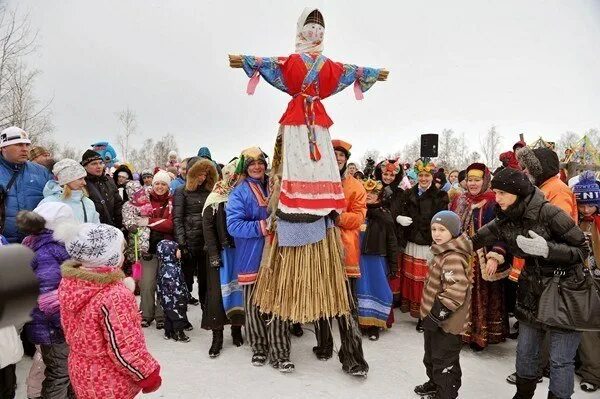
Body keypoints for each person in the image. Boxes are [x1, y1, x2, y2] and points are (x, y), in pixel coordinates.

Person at [231, 8, 387, 333]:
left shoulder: (328, 66)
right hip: (295, 122)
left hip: (319, 120)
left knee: (319, 158)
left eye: (320, 27)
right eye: (310, 26)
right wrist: (248, 60)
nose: (315, 31)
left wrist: (371, 72)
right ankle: (297, 195)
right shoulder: (290, 63)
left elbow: (351, 70)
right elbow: (268, 64)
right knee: (298, 158)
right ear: (301, 30)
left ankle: (317, 195)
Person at [472, 167, 588, 399]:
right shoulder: (505, 217)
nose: (497, 198)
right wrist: (446, 249)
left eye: (502, 193)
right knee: (525, 353)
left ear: (517, 193)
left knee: (560, 361)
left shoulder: (549, 213)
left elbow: (582, 250)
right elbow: (478, 238)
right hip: (531, 291)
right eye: (495, 192)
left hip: (565, 291)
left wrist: (548, 249)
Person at [57, 222, 161, 398]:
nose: (123, 255)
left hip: (81, 371)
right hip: (110, 380)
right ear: (108, 257)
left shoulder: (71, 283)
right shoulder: (115, 296)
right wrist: (148, 374)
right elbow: (125, 346)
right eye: (120, 251)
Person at [226, 147, 293, 372]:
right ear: (245, 167)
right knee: (254, 305)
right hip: (251, 256)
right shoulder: (239, 192)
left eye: (260, 162)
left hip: (277, 254)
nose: (257, 166)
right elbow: (233, 225)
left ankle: (281, 352)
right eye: (252, 163)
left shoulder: (275, 184)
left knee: (279, 303)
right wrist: (264, 226)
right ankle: (259, 347)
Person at [312, 139, 369, 377]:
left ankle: (353, 358)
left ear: (346, 159)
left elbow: (359, 218)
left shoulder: (355, 186)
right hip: (316, 249)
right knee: (319, 300)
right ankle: (324, 346)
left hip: (345, 253)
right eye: (332, 154)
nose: (336, 158)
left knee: (347, 306)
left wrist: (337, 217)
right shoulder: (314, 182)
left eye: (340, 155)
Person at [17, 203, 77, 398]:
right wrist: (65, 325)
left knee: (65, 371)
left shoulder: (41, 244)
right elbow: (48, 294)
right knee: (59, 373)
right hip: (52, 326)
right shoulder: (49, 251)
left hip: (49, 324)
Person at [449, 163, 509, 350]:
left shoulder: (493, 200)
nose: (473, 184)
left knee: (481, 295)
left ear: (485, 181)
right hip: (461, 255)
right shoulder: (459, 199)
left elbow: (504, 231)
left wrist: (496, 255)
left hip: (482, 258)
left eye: (477, 180)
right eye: (470, 180)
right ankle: (460, 332)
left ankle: (480, 335)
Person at [415, 210, 472, 399]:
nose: (437, 234)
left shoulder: (453, 257)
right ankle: (434, 384)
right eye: (434, 229)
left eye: (442, 230)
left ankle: (446, 393)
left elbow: (455, 292)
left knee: (444, 360)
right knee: (430, 355)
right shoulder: (441, 252)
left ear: (453, 232)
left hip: (447, 323)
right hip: (434, 319)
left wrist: (435, 315)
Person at [396, 158, 449, 331]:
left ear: (432, 177)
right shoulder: (409, 193)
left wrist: (436, 243)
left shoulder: (440, 196)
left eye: (427, 175)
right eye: (421, 175)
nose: (424, 179)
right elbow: (400, 211)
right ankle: (414, 310)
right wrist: (399, 218)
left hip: (428, 243)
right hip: (411, 241)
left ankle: (426, 315)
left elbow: (442, 220)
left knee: (427, 282)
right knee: (412, 280)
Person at [202, 159, 244, 358]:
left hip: (241, 251)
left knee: (239, 293)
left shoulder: (243, 193)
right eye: (232, 175)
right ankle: (217, 336)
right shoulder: (215, 197)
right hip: (221, 251)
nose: (234, 179)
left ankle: (237, 329)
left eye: (237, 176)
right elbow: (208, 228)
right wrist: (213, 254)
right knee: (217, 296)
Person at [356, 179, 396, 341]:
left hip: (377, 261)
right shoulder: (358, 212)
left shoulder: (385, 215)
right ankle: (361, 323)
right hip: (359, 259)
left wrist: (394, 264)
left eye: (373, 193)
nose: (369, 196)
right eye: (367, 193)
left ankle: (375, 325)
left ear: (379, 196)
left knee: (378, 291)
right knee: (361, 290)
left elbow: (392, 241)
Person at [173, 158, 216, 307]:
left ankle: (207, 314)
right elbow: (177, 219)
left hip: (206, 243)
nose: (202, 178)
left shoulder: (210, 191)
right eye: (199, 174)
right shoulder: (181, 191)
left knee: (205, 282)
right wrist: (182, 243)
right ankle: (181, 318)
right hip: (189, 244)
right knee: (185, 281)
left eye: (205, 174)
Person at [572, 171, 600, 393]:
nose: (585, 209)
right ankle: (591, 371)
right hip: (583, 281)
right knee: (587, 327)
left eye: (590, 205)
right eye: (581, 205)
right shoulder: (574, 222)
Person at [0, 126, 52, 243]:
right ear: (3, 147)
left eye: (27, 145)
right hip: (3, 245)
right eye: (19, 145)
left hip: (36, 243)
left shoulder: (42, 172)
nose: (25, 149)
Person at [139, 170, 174, 329]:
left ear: (168, 186)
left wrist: (148, 221)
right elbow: (136, 220)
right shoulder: (143, 200)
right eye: (157, 183)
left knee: (163, 282)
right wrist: (161, 222)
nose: (160, 187)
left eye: (164, 184)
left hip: (166, 248)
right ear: (152, 185)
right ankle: (146, 314)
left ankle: (161, 314)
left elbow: (171, 225)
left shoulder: (172, 201)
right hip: (148, 249)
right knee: (146, 284)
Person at [39, 159, 100, 224]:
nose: (84, 183)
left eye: (84, 178)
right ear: (66, 180)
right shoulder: (48, 203)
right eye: (80, 179)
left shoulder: (88, 203)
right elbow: (39, 230)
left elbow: (96, 229)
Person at [156, 240, 191, 343]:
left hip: (167, 300)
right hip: (174, 298)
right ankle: (179, 333)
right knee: (177, 314)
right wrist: (182, 297)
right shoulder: (171, 269)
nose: (180, 251)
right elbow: (175, 286)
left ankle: (168, 331)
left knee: (168, 315)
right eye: (177, 250)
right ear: (169, 252)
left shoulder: (167, 265)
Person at [81, 150, 123, 229]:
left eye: (101, 163)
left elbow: (118, 204)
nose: (99, 166)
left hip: (112, 228)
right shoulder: (82, 184)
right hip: (94, 230)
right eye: (94, 164)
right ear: (85, 167)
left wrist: (119, 226)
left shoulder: (109, 180)